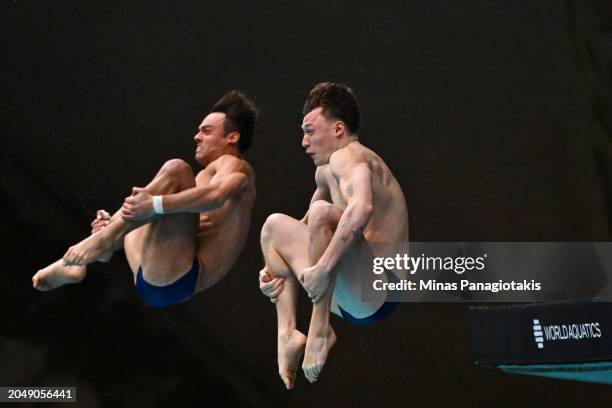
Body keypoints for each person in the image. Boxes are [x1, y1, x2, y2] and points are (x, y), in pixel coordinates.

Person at [33, 90, 257, 308]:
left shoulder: (236, 166)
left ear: (232, 137)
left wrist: (154, 205)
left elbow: (217, 196)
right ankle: (101, 244)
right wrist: (131, 216)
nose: (196, 136)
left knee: (176, 170)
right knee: (148, 204)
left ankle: (102, 243)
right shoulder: (201, 180)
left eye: (206, 131)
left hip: (181, 276)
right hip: (155, 274)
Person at [258, 82, 409, 388]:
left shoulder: (351, 156)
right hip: (350, 294)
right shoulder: (325, 173)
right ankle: (287, 335)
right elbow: (303, 233)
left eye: (310, 130)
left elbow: (362, 207)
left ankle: (319, 328)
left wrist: (323, 269)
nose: (303, 141)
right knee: (273, 227)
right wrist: (273, 274)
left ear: (338, 128)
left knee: (323, 213)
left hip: (380, 286)